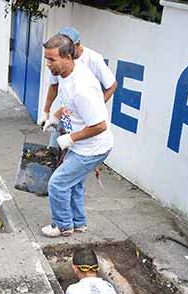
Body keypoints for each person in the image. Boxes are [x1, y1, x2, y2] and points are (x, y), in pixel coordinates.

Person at [41, 34, 113, 237]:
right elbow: (68, 104)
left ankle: (63, 226)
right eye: (46, 58)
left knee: (57, 184)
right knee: (74, 183)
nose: (48, 64)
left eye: (52, 59)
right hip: (83, 145)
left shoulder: (83, 88)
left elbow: (100, 126)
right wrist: (53, 117)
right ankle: (79, 223)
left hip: (93, 148)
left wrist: (70, 138)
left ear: (67, 57)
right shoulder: (65, 75)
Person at [38, 27, 117, 148]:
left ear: (77, 45)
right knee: (55, 146)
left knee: (82, 147)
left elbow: (112, 85)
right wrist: (46, 111)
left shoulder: (93, 59)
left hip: (84, 113)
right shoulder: (58, 60)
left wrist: (95, 107)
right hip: (67, 110)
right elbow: (54, 86)